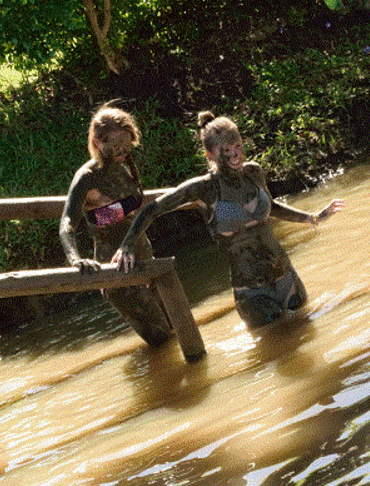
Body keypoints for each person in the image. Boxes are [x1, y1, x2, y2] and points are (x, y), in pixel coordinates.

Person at [116, 111, 345, 328]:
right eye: (227, 150)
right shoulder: (204, 189)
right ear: (211, 155)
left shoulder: (253, 172)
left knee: (308, 335)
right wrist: (126, 245)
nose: (236, 155)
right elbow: (151, 210)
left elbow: (272, 207)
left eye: (238, 147)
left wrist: (313, 217)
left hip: (287, 279)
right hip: (252, 291)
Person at [59, 104, 175, 347]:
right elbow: (67, 222)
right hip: (117, 272)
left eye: (127, 143)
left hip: (144, 259)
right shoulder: (88, 177)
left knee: (175, 334)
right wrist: (75, 259)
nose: (122, 150)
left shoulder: (124, 166)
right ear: (98, 142)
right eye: (116, 145)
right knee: (162, 341)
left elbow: (128, 212)